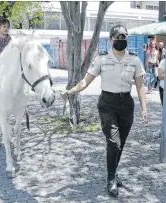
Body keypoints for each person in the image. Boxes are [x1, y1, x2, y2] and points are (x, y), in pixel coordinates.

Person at [62, 25, 148, 197]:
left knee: (120, 144)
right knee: (114, 142)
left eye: (124, 37)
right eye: (118, 37)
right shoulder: (101, 59)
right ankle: (110, 180)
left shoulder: (135, 60)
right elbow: (86, 81)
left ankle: (114, 174)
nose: (121, 40)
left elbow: (140, 87)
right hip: (107, 104)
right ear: (111, 40)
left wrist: (144, 109)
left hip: (126, 105)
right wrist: (71, 91)